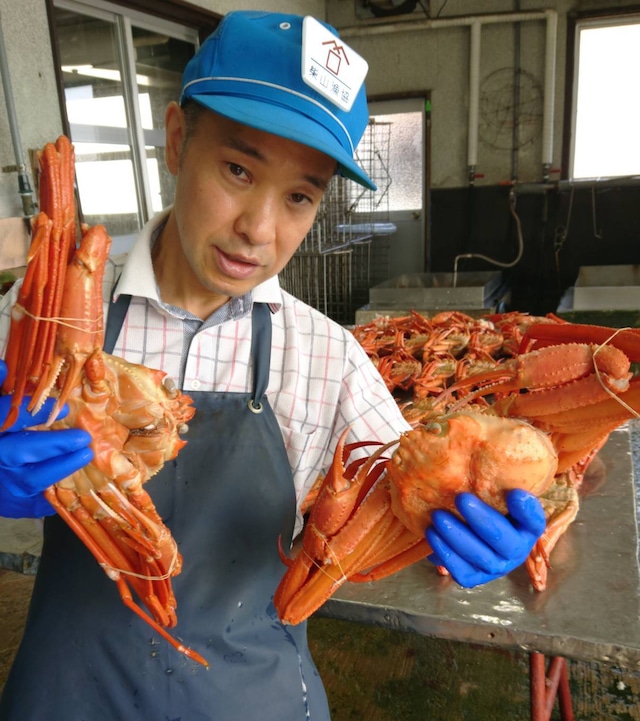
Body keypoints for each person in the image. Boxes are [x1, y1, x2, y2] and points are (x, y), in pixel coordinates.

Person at [0, 11, 545, 721]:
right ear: (174, 140)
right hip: (66, 695)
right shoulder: (48, 312)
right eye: (237, 169)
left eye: (299, 196)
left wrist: (491, 525)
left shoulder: (328, 358)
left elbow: (409, 506)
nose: (259, 228)